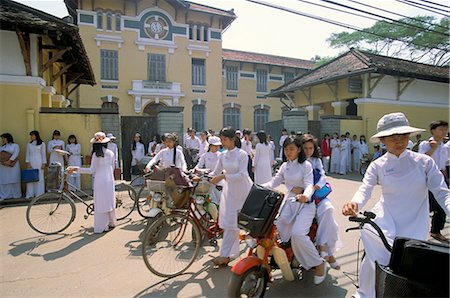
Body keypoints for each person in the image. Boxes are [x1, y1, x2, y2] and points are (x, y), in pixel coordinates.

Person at [342, 112, 450, 298]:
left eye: (403, 136)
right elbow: (365, 189)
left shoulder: (424, 162)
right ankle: (364, 294)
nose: (399, 141)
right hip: (386, 220)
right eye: (393, 137)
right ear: (383, 140)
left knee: (408, 265)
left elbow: (442, 192)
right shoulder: (378, 165)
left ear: (409, 137)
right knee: (374, 257)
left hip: (415, 221)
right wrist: (354, 203)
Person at [262, 135, 327, 285]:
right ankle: (288, 257)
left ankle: (318, 264)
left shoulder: (306, 166)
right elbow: (274, 181)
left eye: (291, 149)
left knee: (298, 234)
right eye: (286, 149)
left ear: (298, 149)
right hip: (290, 201)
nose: (288, 152)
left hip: (305, 204)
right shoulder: (285, 166)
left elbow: (309, 184)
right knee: (278, 225)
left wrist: (306, 195)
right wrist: (257, 186)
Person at [209, 127, 253, 267]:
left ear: (233, 139)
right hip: (230, 192)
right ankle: (226, 255)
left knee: (247, 223)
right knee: (230, 224)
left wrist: (223, 176)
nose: (222, 142)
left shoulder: (242, 155)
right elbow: (214, 172)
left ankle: (257, 249)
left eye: (224, 140)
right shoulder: (222, 155)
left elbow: (242, 175)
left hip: (244, 191)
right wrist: (201, 175)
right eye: (221, 140)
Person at [302, 134, 342, 270]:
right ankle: (329, 254)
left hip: (318, 196)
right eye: (305, 148)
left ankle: (323, 245)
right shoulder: (297, 161)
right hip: (303, 198)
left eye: (311, 148)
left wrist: (315, 187)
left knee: (329, 210)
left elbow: (323, 176)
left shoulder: (316, 161)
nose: (308, 151)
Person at [69, 132, 117, 233]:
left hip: (99, 180)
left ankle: (102, 226)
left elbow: (91, 170)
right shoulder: (111, 153)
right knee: (109, 201)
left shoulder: (96, 155)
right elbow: (113, 167)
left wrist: (76, 169)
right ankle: (111, 222)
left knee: (100, 203)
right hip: (109, 180)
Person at [418, 120, 449, 242]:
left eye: (445, 129)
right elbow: (422, 160)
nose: (444, 132)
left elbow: (445, 163)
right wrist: (433, 148)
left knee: (441, 206)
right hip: (428, 176)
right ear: (433, 130)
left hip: (441, 177)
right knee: (426, 205)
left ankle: (435, 230)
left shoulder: (445, 146)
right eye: (441, 129)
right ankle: (418, 231)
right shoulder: (426, 144)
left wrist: (445, 177)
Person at [195, 136, 222, 205]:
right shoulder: (205, 155)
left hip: (219, 180)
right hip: (208, 180)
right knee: (211, 201)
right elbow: (198, 166)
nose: (217, 147)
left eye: (218, 146)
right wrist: (196, 170)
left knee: (221, 200)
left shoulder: (221, 155)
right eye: (215, 146)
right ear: (210, 146)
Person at [25, 130, 47, 198]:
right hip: (31, 162)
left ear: (36, 136)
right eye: (31, 135)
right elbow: (27, 154)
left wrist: (44, 163)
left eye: (32, 135)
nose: (31, 137)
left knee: (39, 177)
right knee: (31, 178)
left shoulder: (42, 144)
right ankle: (30, 194)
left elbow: (43, 154)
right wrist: (28, 162)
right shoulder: (29, 144)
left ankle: (39, 194)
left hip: (39, 162)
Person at [0, 133, 21, 199]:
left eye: (4, 138)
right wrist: (4, 162)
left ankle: (16, 195)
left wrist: (10, 161)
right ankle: (4, 195)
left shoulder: (15, 145)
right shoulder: (1, 147)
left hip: (13, 165)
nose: (3, 140)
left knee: (14, 178)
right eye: (2, 139)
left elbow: (16, 153)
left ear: (8, 138)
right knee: (4, 180)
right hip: (3, 166)